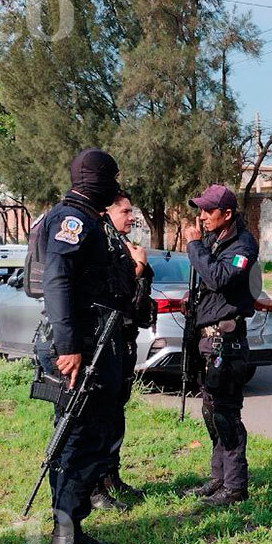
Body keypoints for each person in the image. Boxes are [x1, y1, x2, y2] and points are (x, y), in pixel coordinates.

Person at [32, 148, 134, 544]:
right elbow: (57, 281)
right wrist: (70, 346)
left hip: (98, 344)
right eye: (110, 178)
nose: (115, 185)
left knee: (94, 437)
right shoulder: (70, 221)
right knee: (80, 441)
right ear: (95, 180)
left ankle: (73, 530)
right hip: (79, 349)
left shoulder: (92, 219)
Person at [180, 184, 260, 507]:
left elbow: (219, 278)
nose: (201, 217)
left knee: (227, 415)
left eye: (207, 211)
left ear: (226, 214)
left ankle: (236, 486)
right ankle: (219, 478)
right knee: (211, 411)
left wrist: (194, 246)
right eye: (199, 210)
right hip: (207, 340)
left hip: (228, 342)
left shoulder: (242, 244)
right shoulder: (214, 240)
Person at [88, 191, 154, 512]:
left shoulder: (122, 244)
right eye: (126, 211)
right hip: (103, 343)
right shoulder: (103, 243)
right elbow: (116, 291)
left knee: (116, 413)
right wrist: (138, 267)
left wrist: (142, 266)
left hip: (123, 340)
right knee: (100, 418)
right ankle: (95, 486)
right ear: (108, 213)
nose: (132, 217)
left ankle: (111, 476)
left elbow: (140, 301)